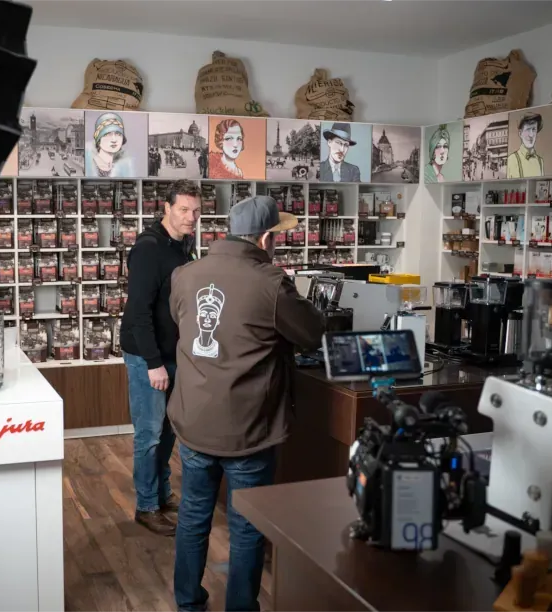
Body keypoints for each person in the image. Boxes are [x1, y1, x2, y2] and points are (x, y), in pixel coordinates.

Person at [168, 195, 325, 612]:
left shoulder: (185, 274)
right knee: (246, 526)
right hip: (249, 428)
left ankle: (187, 603)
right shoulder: (271, 281)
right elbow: (311, 333)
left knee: (193, 516)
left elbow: (181, 323)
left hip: (195, 420)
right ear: (266, 238)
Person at [119, 180, 201, 536]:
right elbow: (138, 311)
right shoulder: (149, 248)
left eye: (196, 211)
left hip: (174, 353)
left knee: (169, 430)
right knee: (149, 433)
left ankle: (162, 493)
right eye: (183, 209)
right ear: (166, 208)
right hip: (146, 356)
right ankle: (146, 506)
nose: (191, 217)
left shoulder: (185, 246)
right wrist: (153, 363)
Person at [86, 112, 137, 177]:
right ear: (98, 139)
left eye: (118, 134)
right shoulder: (88, 164)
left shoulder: (124, 166)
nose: (114, 140)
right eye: (108, 134)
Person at [507, 113, 545, 178]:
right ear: (520, 133)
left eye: (534, 129)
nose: (531, 135)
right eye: (528, 130)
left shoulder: (540, 161)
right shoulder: (512, 159)